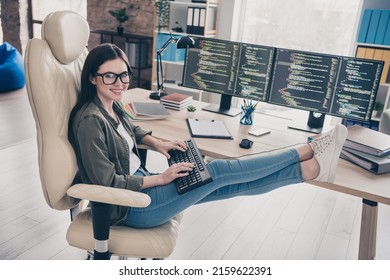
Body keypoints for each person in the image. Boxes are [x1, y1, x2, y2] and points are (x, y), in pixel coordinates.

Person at [69, 43, 347, 231]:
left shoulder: (112, 104)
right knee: (216, 170)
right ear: (92, 78)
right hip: (133, 207)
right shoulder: (89, 122)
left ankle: (308, 170)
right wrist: (162, 178)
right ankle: (304, 149)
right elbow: (107, 182)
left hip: (143, 189)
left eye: (124, 75)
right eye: (109, 77)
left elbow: (130, 131)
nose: (119, 83)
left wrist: (157, 142)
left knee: (226, 186)